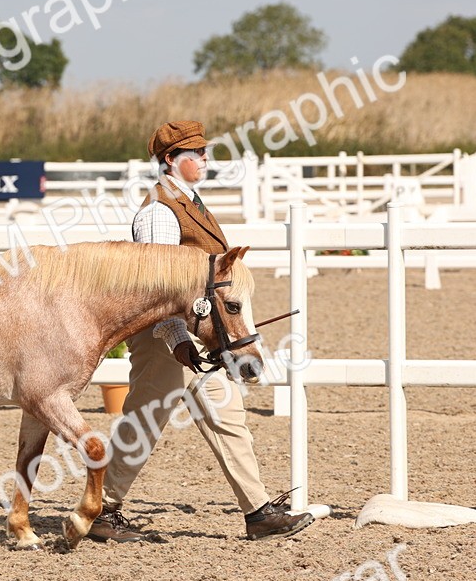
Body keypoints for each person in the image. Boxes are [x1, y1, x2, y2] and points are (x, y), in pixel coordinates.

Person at [86, 120, 314, 542]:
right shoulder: (159, 212)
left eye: (205, 151)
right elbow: (158, 287)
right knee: (144, 423)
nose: (206, 159)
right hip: (164, 337)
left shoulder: (190, 204)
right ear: (171, 159)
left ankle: (258, 512)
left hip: (197, 334)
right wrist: (177, 340)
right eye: (197, 153)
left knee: (228, 418)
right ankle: (101, 510)